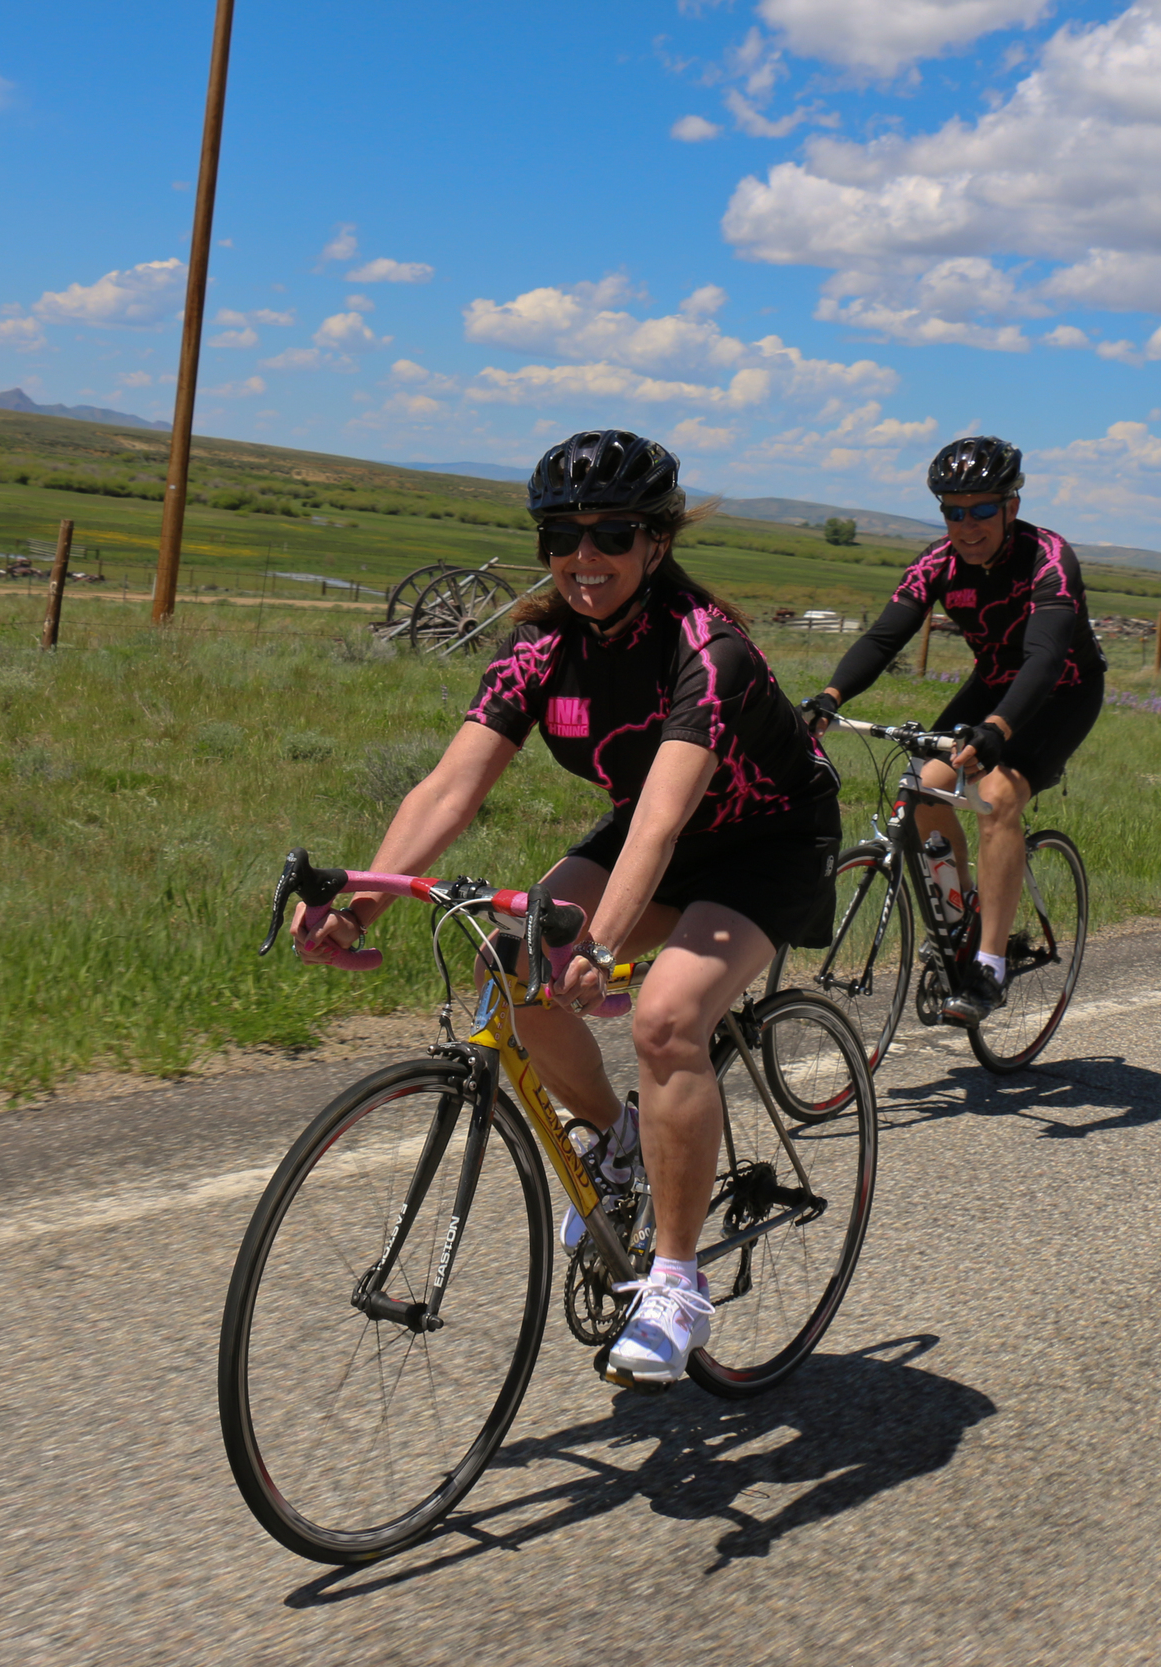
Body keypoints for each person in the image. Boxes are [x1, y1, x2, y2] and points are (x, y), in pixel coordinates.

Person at [292, 429, 842, 1387]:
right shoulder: (540, 644)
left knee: (667, 1018)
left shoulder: (708, 651)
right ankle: (618, 1139)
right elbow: (446, 790)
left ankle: (676, 1284)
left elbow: (665, 822)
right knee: (507, 968)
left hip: (767, 842)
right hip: (654, 834)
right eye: (562, 535)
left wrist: (600, 941)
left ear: (657, 543)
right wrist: (362, 903)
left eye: (612, 533)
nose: (585, 558)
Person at [800, 436, 1105, 1025]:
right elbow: (884, 637)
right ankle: (962, 915)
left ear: (1010, 506)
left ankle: (989, 964)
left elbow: (1043, 658)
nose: (966, 525)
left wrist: (996, 728)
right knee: (920, 789)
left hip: (1062, 691)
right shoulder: (936, 563)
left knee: (996, 796)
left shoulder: (1049, 558)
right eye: (953, 511)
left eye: (982, 509)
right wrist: (830, 697)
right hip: (993, 682)